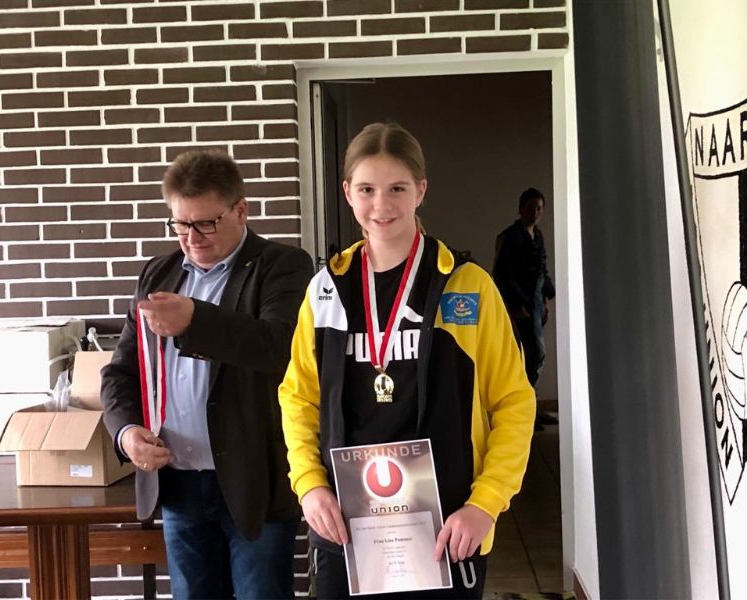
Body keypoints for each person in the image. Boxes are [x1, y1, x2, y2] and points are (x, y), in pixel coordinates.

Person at [279, 123, 536, 599]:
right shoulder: (326, 290)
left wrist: (485, 504)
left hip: (448, 529)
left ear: (421, 190)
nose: (382, 204)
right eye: (367, 189)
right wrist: (309, 485)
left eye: (397, 188)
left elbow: (514, 402)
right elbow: (298, 399)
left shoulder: (467, 286)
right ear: (347, 193)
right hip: (347, 531)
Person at [100, 149, 313, 600]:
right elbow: (121, 372)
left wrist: (195, 320)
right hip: (177, 480)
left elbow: (279, 346)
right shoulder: (157, 273)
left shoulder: (284, 264)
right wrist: (126, 433)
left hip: (253, 481)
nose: (192, 238)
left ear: (241, 210)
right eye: (180, 224)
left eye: (206, 223)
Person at [492, 187, 557, 428]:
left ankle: (533, 408)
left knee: (535, 357)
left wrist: (546, 298)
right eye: (531, 208)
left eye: (539, 209)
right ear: (521, 209)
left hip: (536, 303)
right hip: (518, 305)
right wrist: (517, 304)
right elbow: (502, 274)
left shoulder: (537, 235)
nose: (535, 213)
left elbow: (542, 269)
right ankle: (523, 412)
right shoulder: (509, 237)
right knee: (527, 356)